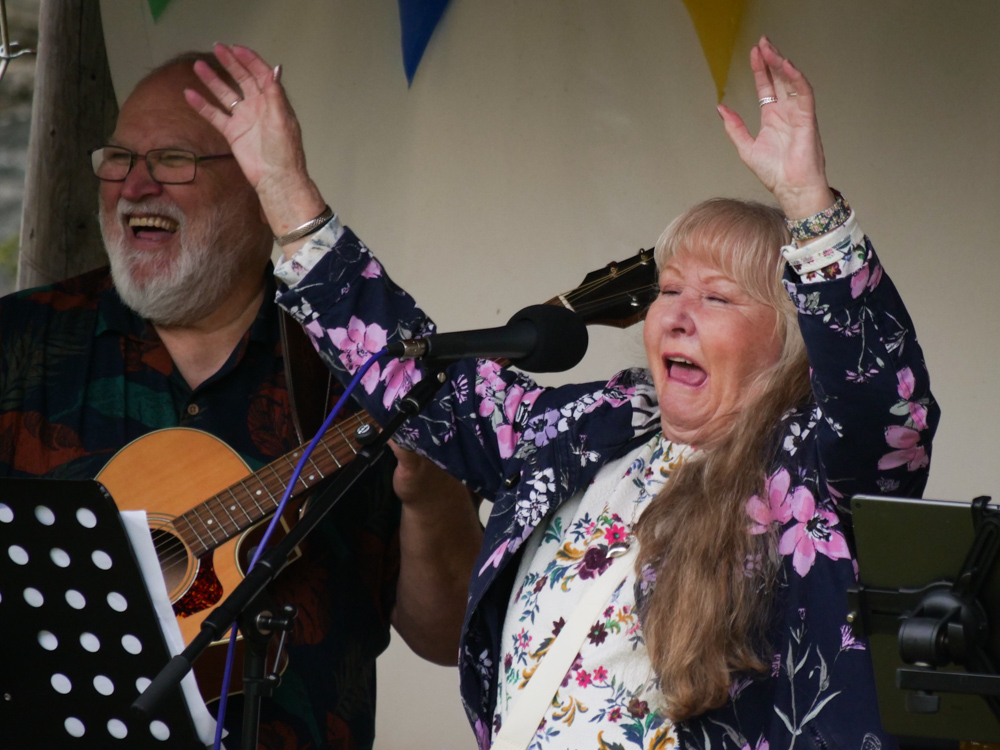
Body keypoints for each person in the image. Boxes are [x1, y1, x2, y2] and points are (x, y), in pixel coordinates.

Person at [188, 38, 938, 750]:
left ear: (785, 340)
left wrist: (809, 203)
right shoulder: (592, 425)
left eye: (717, 299)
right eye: (669, 289)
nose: (673, 313)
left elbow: (886, 404)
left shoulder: (808, 470)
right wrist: (286, 193)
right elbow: (416, 380)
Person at [0, 52, 482, 749]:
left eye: (171, 159)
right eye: (119, 157)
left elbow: (446, 637)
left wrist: (430, 490)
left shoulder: (359, 362)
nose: (134, 185)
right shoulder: (20, 345)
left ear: (258, 184)